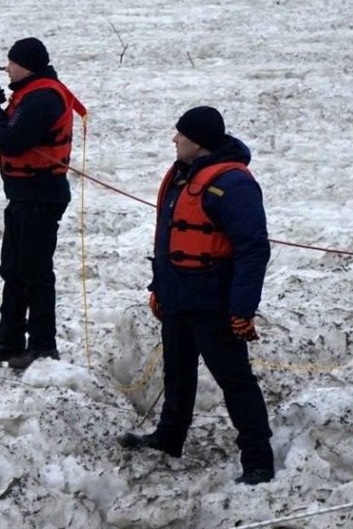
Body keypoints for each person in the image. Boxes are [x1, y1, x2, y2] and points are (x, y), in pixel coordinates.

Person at [118, 106, 275, 485]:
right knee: (178, 373)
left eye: (180, 134)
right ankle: (169, 437)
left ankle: (258, 461)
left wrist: (241, 309)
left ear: (198, 142)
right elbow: (167, 237)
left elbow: (254, 249)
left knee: (235, 381)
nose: (174, 139)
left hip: (213, 303)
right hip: (177, 296)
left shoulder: (234, 184)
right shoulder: (180, 176)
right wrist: (160, 287)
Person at [0, 37, 87, 371]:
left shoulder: (42, 98)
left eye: (10, 62)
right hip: (23, 195)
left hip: (41, 196)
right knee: (13, 268)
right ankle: (8, 342)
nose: (6, 68)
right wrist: (0, 110)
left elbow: (10, 140)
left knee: (34, 271)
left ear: (26, 65)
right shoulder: (33, 94)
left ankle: (42, 345)